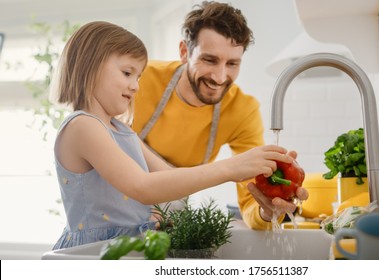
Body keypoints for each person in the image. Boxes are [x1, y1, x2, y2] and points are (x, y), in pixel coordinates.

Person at [50, 21, 295, 249]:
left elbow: (170, 181)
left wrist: (263, 175)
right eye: (127, 73)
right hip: (91, 254)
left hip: (127, 249)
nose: (136, 85)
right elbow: (142, 186)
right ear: (90, 67)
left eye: (138, 77)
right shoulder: (83, 126)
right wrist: (231, 168)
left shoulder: (123, 131)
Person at [132, 1, 307, 230]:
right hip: (110, 212)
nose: (220, 77)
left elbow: (249, 202)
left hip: (166, 224)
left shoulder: (242, 110)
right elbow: (110, 141)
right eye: (209, 60)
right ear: (185, 52)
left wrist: (266, 211)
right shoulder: (141, 79)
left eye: (232, 63)